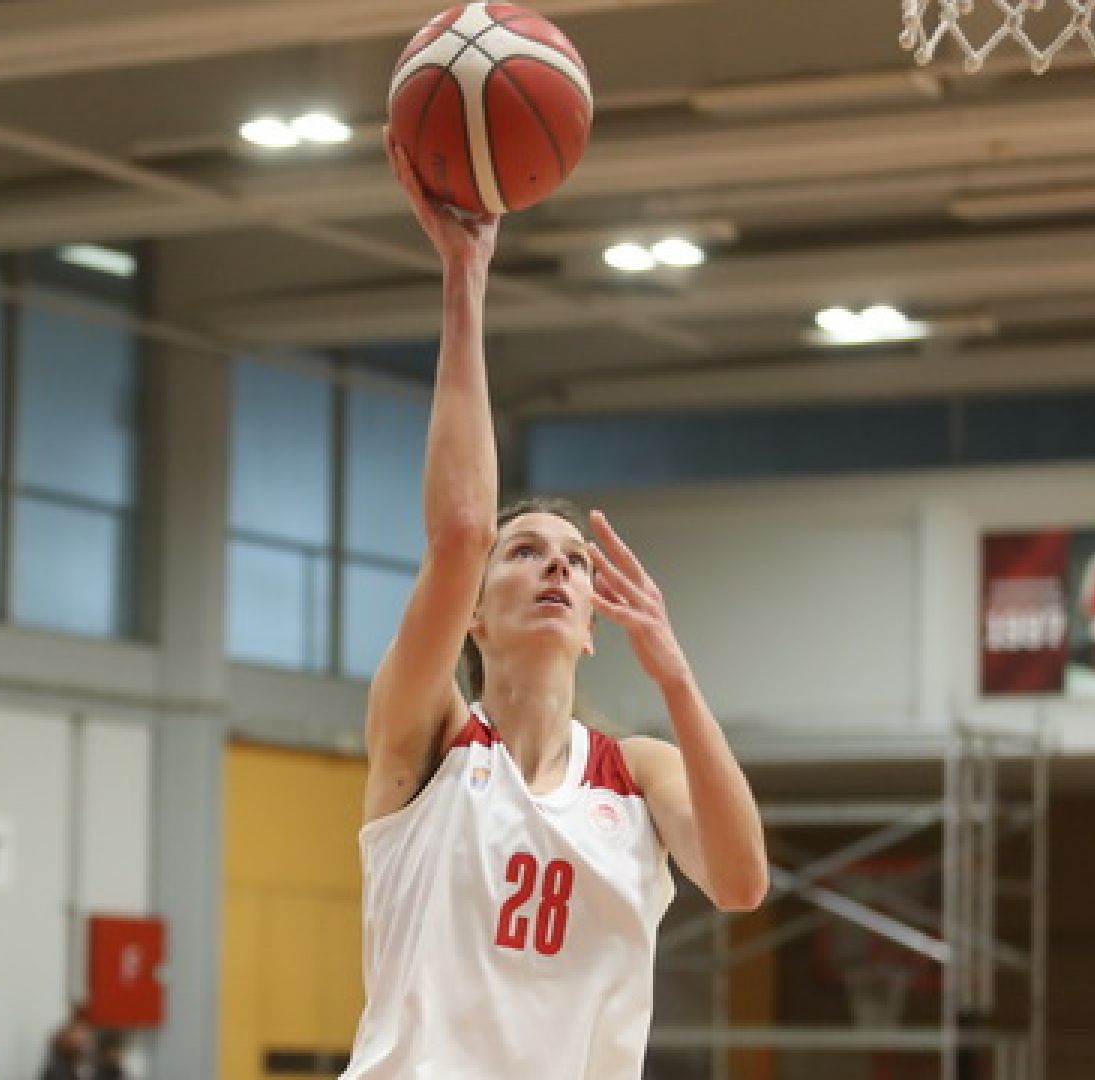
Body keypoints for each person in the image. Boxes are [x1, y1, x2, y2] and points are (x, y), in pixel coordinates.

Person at [337, 140, 769, 1078]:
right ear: (475, 614)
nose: (556, 571)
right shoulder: (427, 740)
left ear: (592, 625)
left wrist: (678, 678)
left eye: (575, 561)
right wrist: (465, 275)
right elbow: (460, 530)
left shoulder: (636, 774)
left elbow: (740, 883)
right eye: (526, 552)